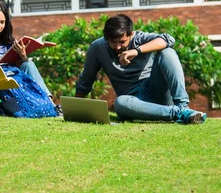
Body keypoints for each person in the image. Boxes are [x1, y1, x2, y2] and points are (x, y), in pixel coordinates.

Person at [75, 13, 207, 124]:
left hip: (157, 90)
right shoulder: (97, 48)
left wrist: (136, 51)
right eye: (113, 42)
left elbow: (168, 39)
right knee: (119, 103)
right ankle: (179, 113)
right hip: (133, 101)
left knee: (167, 52)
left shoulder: (139, 38)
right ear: (106, 38)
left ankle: (182, 106)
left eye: (122, 42)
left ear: (130, 34)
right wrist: (75, 108)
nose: (117, 47)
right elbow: (86, 80)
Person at [0, 0, 59, 114]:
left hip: (8, 85)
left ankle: (50, 103)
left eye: (2, 22)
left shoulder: (8, 42)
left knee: (29, 64)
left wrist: (23, 57)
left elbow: (18, 71)